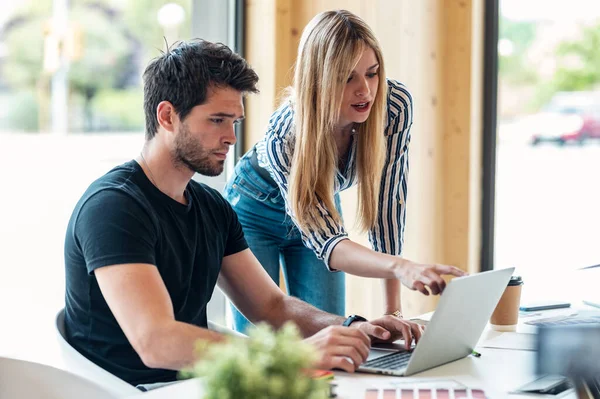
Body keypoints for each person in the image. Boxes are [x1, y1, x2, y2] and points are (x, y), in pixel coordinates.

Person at [63, 39, 424, 388]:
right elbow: (157, 342)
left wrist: (354, 327)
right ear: (167, 116)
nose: (232, 138)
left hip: (200, 387)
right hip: (130, 391)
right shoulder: (113, 207)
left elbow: (271, 306)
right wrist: (296, 354)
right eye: (217, 120)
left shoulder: (211, 207)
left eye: (234, 122)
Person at [224, 9, 465, 333]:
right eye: (346, 77)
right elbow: (329, 245)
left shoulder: (393, 107)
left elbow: (386, 210)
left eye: (372, 73)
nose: (364, 90)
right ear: (318, 80)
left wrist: (393, 312)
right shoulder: (286, 133)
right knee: (262, 341)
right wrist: (402, 268)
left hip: (320, 202)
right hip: (254, 210)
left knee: (329, 334)